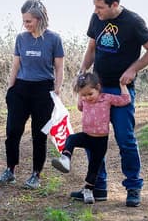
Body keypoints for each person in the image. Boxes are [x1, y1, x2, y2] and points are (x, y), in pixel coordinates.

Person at [74, 0, 148, 207]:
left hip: (120, 91)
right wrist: (82, 74)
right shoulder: (96, 19)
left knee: (125, 139)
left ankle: (133, 187)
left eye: (100, 7)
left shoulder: (133, 22)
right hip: (97, 90)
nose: (96, 11)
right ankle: (98, 187)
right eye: (94, 6)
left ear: (115, 4)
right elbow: (91, 48)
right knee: (93, 138)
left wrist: (133, 69)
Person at [0, 0, 64, 189]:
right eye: (24, 21)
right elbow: (15, 65)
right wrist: (10, 89)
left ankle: (36, 174)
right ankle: (10, 170)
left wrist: (57, 89)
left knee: (38, 135)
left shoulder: (54, 39)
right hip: (21, 89)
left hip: (43, 90)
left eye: (28, 21)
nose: (25, 25)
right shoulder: (21, 38)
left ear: (39, 19)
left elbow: (59, 68)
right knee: (13, 131)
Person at [50, 72, 130, 204]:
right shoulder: (84, 100)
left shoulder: (107, 98)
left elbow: (125, 100)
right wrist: (79, 96)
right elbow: (80, 107)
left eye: (90, 94)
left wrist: (122, 85)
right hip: (87, 136)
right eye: (83, 95)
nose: (87, 98)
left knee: (94, 167)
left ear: (98, 88)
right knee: (71, 139)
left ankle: (88, 191)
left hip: (100, 141)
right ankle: (65, 159)